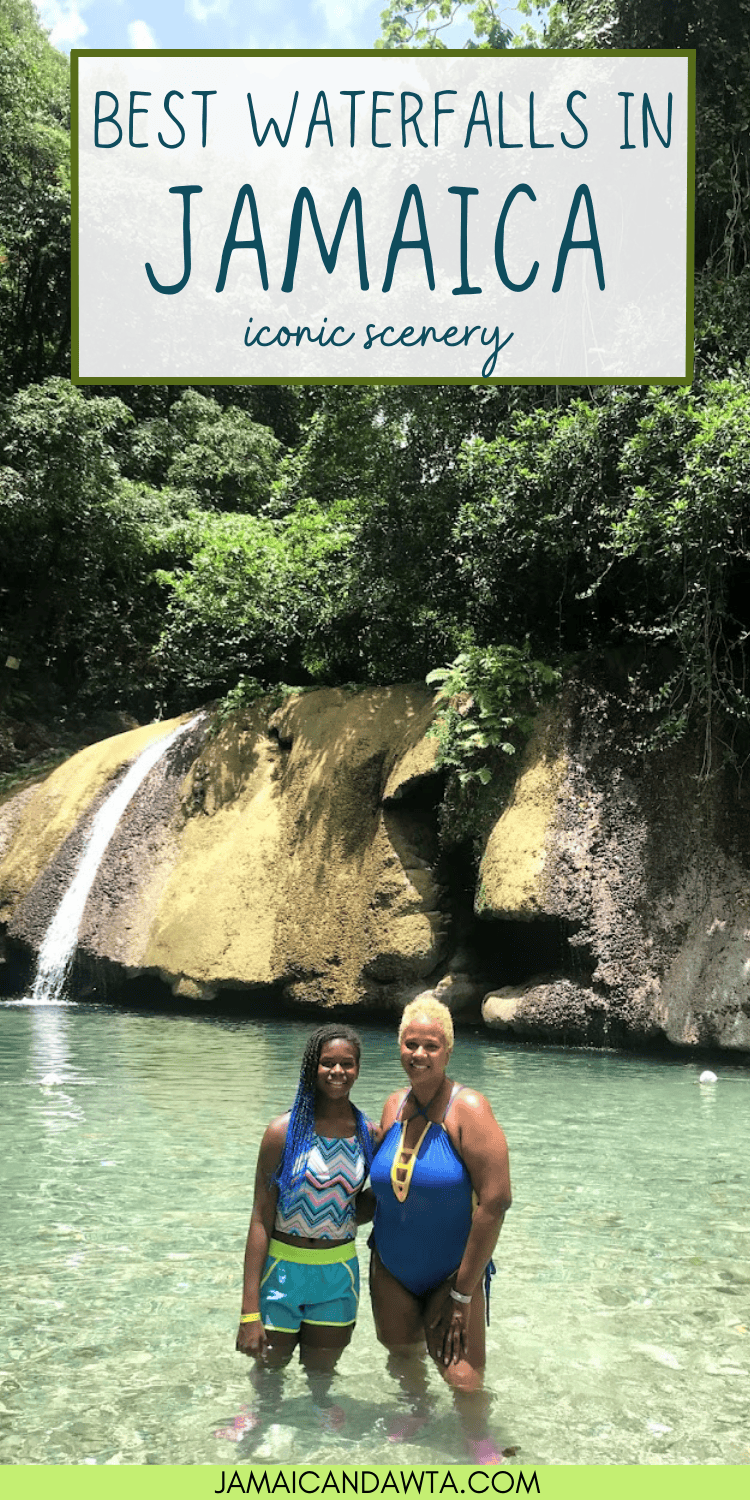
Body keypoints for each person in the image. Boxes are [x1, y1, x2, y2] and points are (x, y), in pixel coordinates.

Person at [368, 994, 512, 1463]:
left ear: (448, 1050)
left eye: (431, 1046)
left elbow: (496, 1200)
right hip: (390, 1263)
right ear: (399, 1047)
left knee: (463, 1376)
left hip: (454, 1271)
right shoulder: (393, 1106)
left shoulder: (468, 1108)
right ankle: (418, 1412)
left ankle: (476, 1441)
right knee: (401, 1353)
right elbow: (382, 1188)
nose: (420, 1055)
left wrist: (464, 1294)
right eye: (411, 1044)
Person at [225, 1024, 375, 1441]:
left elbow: (365, 1204)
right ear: (312, 1066)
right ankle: (260, 1413)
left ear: (358, 1069)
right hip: (283, 1270)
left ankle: (319, 1411)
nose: (337, 1071)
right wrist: (248, 1310)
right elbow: (260, 1219)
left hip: (337, 1273)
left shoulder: (368, 1134)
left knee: (321, 1370)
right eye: (328, 1062)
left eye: (347, 1063)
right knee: (269, 1365)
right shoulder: (282, 1133)